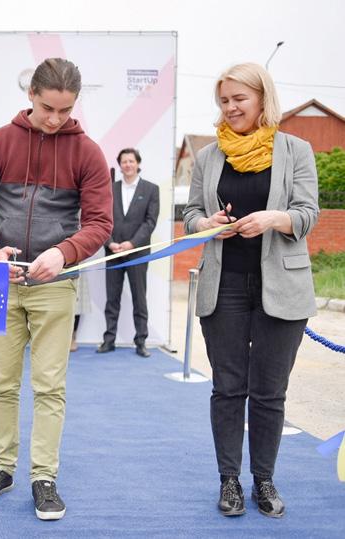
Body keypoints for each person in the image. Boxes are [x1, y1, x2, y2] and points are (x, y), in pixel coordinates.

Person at [0, 58, 113, 521]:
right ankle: (0, 468)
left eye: (66, 110)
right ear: (31, 94)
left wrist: (64, 254)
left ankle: (44, 477)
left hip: (56, 284)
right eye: (48, 108)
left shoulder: (88, 153)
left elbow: (100, 223)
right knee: (1, 383)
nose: (55, 119)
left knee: (50, 386)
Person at [183, 62, 319, 519]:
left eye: (239, 98)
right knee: (227, 388)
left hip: (282, 286)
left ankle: (264, 479)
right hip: (224, 287)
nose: (230, 107)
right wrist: (207, 223)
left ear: (263, 98)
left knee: (268, 392)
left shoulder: (296, 150)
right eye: (224, 100)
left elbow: (307, 214)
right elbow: (190, 216)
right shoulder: (208, 156)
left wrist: (273, 219)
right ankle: (229, 481)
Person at [97, 148, 160, 357]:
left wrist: (132, 244)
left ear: (138, 163)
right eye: (124, 161)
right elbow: (101, 218)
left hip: (137, 253)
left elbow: (150, 222)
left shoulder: (151, 189)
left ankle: (141, 341)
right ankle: (109, 340)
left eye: (131, 161)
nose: (128, 165)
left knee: (139, 298)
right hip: (113, 252)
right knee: (112, 298)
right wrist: (110, 243)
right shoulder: (109, 189)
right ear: (120, 165)